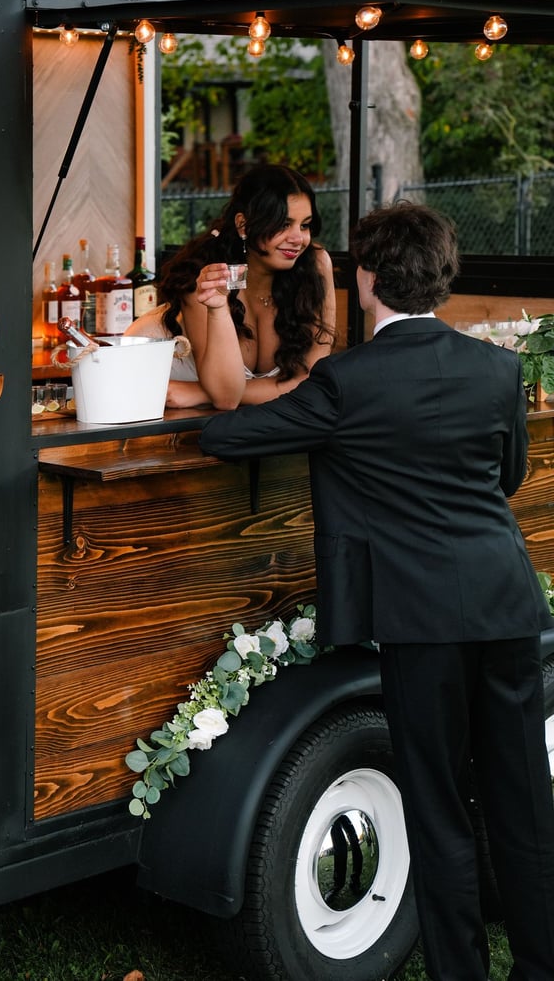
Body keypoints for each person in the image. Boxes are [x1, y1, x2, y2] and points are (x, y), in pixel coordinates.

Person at [199, 201, 554, 981]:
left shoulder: (345, 382)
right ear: (441, 278)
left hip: (421, 622)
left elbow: (227, 436)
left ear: (366, 280)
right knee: (523, 804)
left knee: (435, 810)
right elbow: (509, 478)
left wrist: (217, 373)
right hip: (505, 606)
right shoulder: (497, 370)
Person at [126, 164, 336, 409]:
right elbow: (227, 398)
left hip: (222, 417)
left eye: (305, 225)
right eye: (283, 224)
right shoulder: (207, 277)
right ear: (243, 226)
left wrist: (201, 393)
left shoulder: (315, 265)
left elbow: (313, 381)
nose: (298, 238)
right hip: (143, 399)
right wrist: (218, 309)